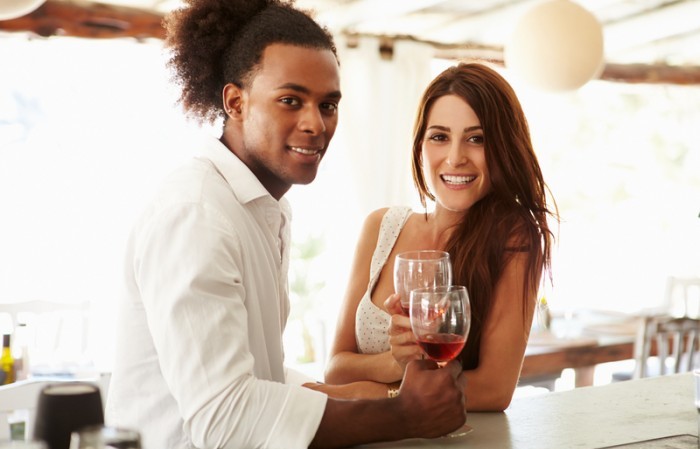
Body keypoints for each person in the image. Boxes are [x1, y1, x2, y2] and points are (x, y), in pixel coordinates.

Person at [104, 1, 466, 448]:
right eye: (290, 100)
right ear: (236, 102)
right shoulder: (196, 215)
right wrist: (404, 415)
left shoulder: (261, 208)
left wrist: (340, 393)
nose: (316, 123)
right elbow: (226, 422)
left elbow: (259, 378)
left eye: (328, 104)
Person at [324, 62, 557, 411]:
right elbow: (336, 371)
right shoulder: (381, 227)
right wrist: (395, 362)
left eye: (476, 139)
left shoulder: (514, 238)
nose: (455, 157)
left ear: (504, 148)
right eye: (439, 137)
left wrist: (381, 393)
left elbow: (494, 391)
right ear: (420, 146)